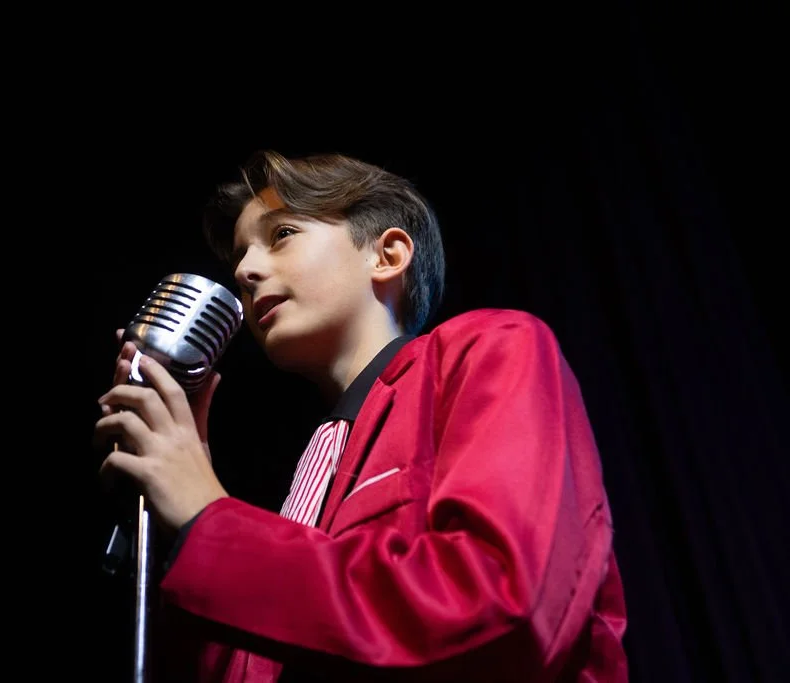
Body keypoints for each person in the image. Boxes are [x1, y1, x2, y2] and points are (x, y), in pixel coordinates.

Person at [93, 150, 629, 681]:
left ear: (387, 254)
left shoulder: (488, 351)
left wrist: (207, 519)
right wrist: (176, 518)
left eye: (281, 235)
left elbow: (504, 604)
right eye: (239, 258)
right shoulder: (306, 485)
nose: (246, 270)